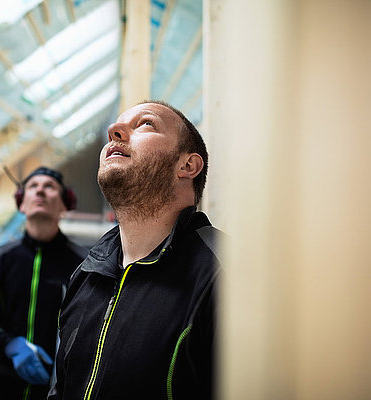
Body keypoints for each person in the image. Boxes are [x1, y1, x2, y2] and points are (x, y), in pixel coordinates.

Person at [48, 100, 225, 400]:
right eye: (116, 128)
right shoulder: (88, 273)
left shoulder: (224, 272)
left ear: (187, 165)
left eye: (145, 124)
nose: (114, 131)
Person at [0, 166, 88, 400]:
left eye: (50, 187)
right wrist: (10, 346)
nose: (40, 191)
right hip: (3, 387)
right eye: (33, 187)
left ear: (65, 204)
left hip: (58, 390)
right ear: (21, 203)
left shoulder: (84, 264)